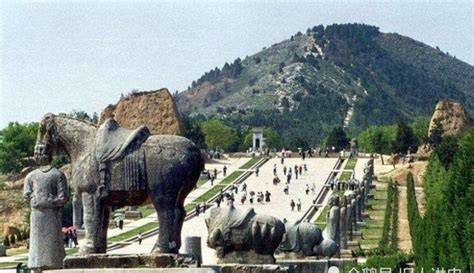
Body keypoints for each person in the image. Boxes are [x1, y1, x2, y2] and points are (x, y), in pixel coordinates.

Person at [24, 164, 68, 270]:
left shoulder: (57, 174)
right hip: (36, 215)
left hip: (52, 215)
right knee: (36, 251)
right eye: (37, 151)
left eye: (43, 151)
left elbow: (63, 197)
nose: (40, 154)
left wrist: (47, 201)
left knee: (53, 251)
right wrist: (35, 200)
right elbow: (26, 196)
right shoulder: (31, 176)